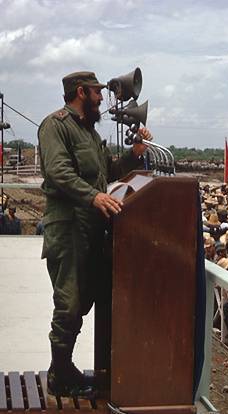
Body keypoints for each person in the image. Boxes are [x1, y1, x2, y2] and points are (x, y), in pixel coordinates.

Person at [38, 71, 152, 397]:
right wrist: (93, 196)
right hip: (69, 227)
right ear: (81, 92)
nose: (102, 98)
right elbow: (58, 172)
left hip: (91, 228)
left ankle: (67, 368)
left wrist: (135, 154)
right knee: (69, 304)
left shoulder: (89, 132)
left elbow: (109, 172)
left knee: (85, 301)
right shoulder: (56, 126)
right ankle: (60, 373)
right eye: (97, 93)